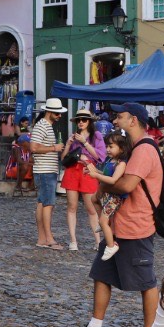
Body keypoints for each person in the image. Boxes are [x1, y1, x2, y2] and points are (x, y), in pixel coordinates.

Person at [76, 102, 164, 327]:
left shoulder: (144, 150)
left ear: (134, 120)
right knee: (102, 274)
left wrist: (101, 185)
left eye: (121, 116)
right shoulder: (134, 148)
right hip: (118, 226)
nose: (116, 120)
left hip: (136, 226)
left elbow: (126, 185)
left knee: (146, 282)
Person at [61, 106, 106, 251]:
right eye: (78, 120)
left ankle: (98, 241)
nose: (81, 122)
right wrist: (68, 145)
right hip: (72, 171)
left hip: (88, 171)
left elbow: (100, 156)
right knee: (71, 206)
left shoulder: (96, 135)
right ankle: (73, 241)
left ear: (89, 122)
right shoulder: (74, 136)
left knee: (91, 208)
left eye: (84, 120)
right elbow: (64, 159)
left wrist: (85, 143)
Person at [88, 131, 132, 260]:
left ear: (121, 148)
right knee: (93, 198)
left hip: (114, 197)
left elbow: (113, 180)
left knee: (103, 220)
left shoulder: (121, 163)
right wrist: (94, 170)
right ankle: (103, 225)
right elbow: (105, 174)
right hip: (106, 193)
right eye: (107, 146)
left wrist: (96, 175)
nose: (107, 149)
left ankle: (111, 245)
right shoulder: (110, 160)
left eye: (111, 146)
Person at [30, 97, 66, 248]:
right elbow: (34, 148)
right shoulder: (42, 126)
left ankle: (42, 239)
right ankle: (49, 239)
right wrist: (54, 148)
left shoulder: (45, 125)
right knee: (48, 204)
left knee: (42, 203)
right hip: (44, 171)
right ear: (49, 112)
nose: (59, 116)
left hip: (45, 170)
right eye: (57, 114)